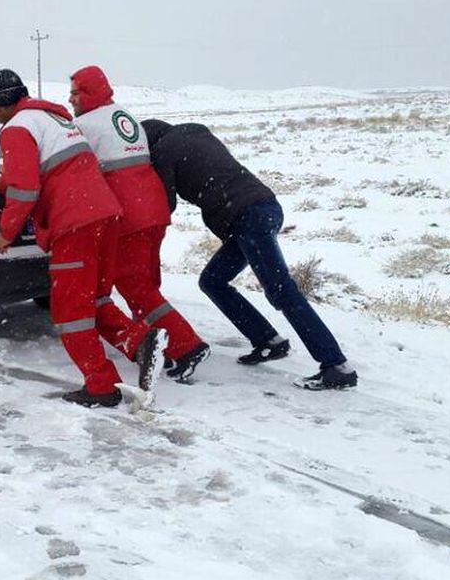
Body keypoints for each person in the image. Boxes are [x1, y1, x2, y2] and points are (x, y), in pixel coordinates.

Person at [0, 68, 159, 408]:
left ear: (3, 104)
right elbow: (48, 172)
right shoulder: (53, 119)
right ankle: (139, 342)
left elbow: (25, 189)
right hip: (105, 214)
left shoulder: (16, 128)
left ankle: (102, 386)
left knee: (69, 311)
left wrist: (6, 233)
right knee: (93, 299)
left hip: (73, 223)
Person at [141, 119, 358, 390]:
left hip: (247, 217)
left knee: (281, 291)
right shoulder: (195, 131)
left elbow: (165, 204)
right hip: (264, 207)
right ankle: (268, 341)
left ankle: (336, 365)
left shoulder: (163, 151)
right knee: (213, 281)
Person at [69, 65, 209, 382]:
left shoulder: (85, 124)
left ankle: (186, 346)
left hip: (129, 214)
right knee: (147, 283)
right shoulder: (122, 115)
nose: (71, 98)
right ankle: (160, 344)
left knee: (135, 286)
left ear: (89, 92)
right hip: (153, 207)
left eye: (76, 92)